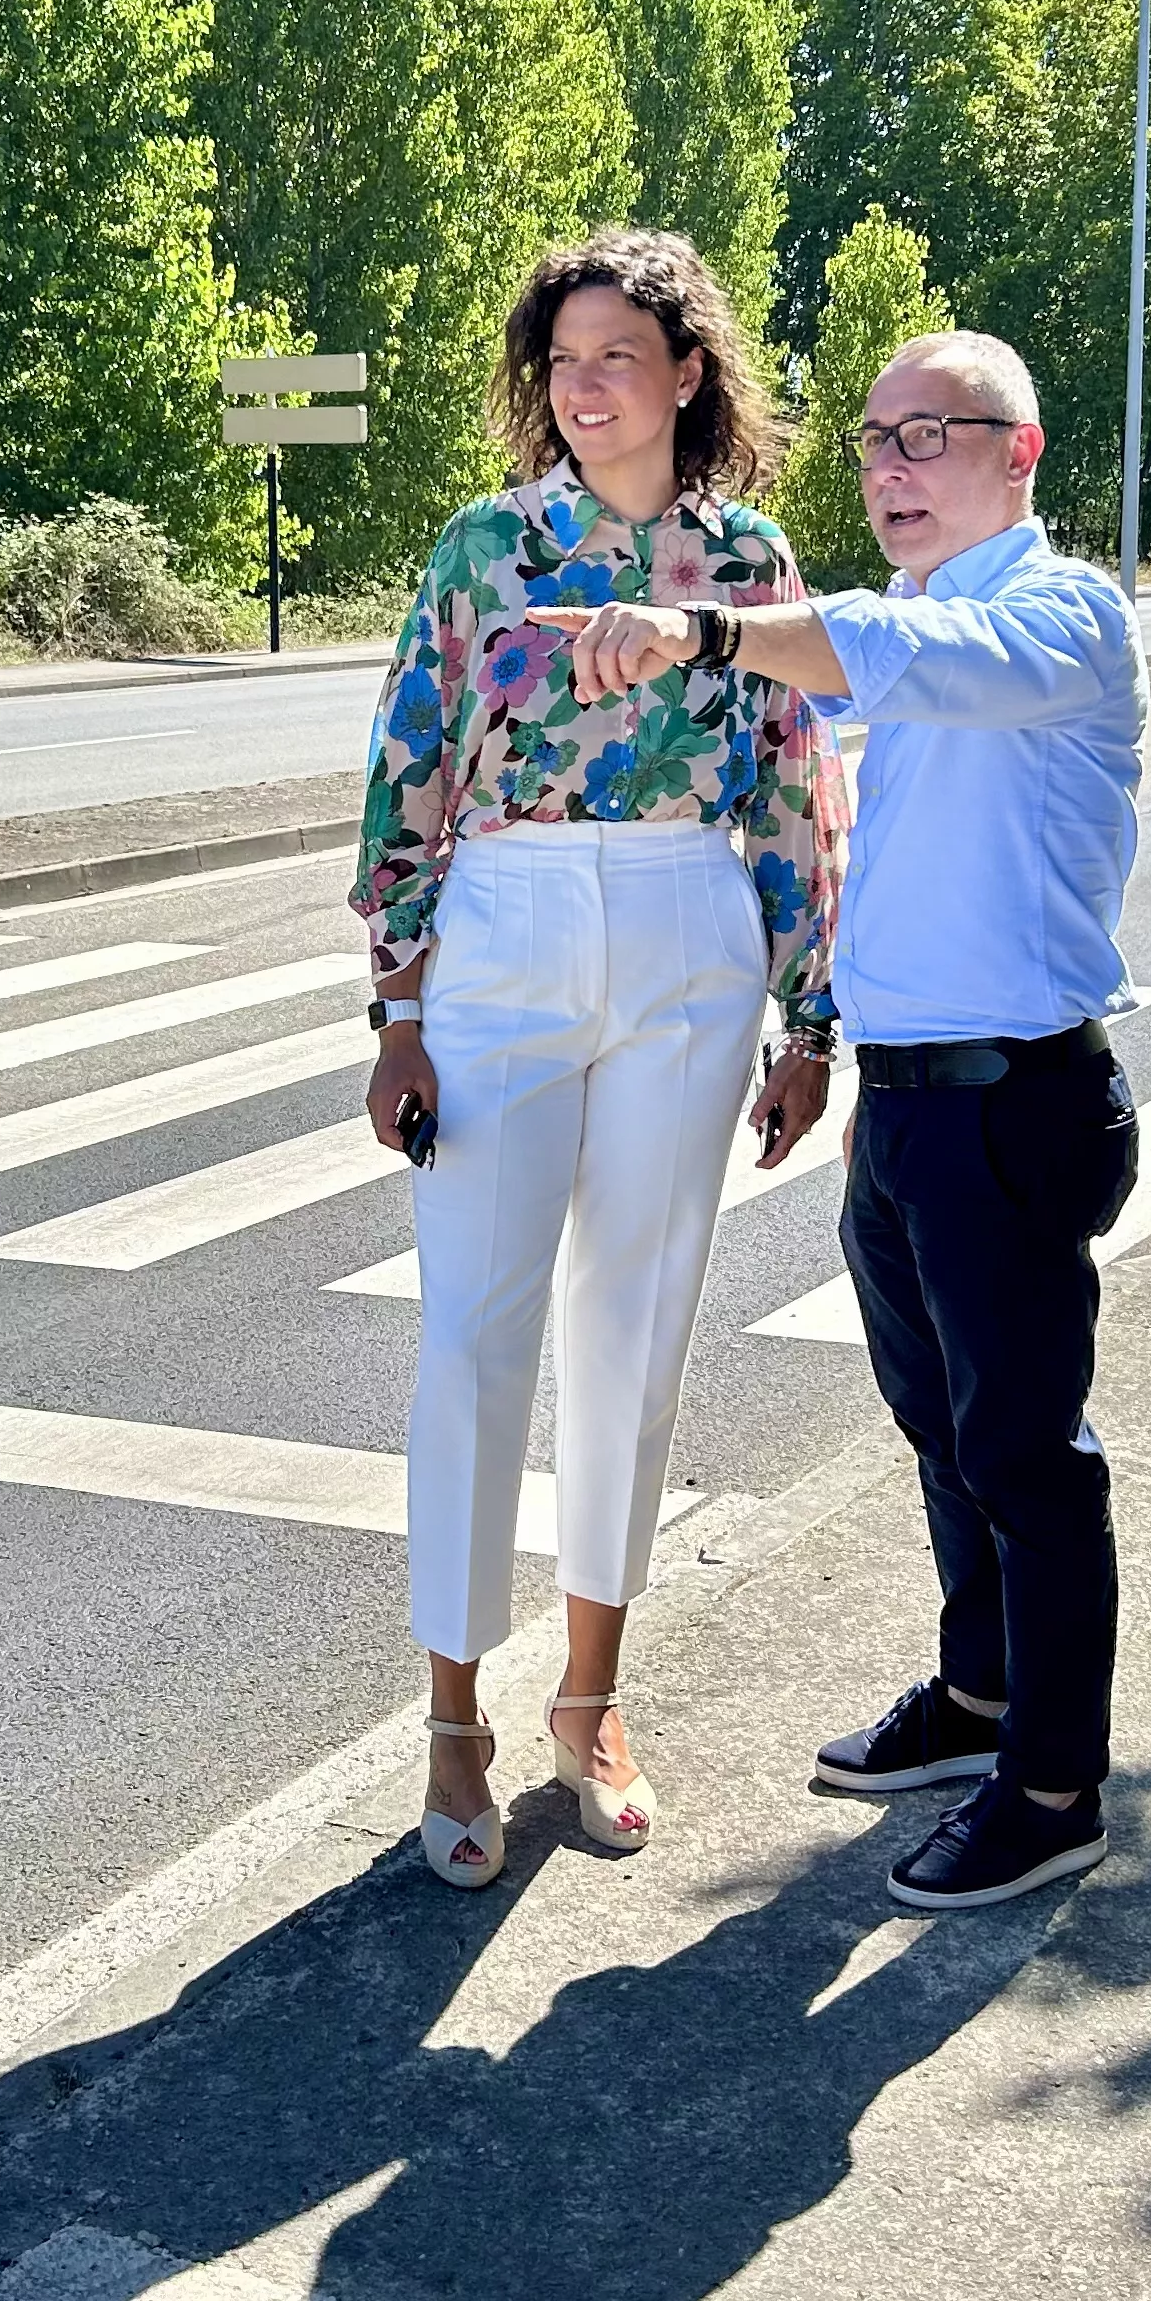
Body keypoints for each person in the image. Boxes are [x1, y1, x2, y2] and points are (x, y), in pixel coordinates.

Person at [536, 329, 1146, 1913]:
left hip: (1018, 1098)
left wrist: (703, 628)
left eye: (929, 434)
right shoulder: (922, 627)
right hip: (915, 1103)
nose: (889, 466)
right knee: (944, 1431)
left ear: (1020, 452)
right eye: (874, 439)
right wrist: (820, 1037)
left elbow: (900, 652)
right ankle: (984, 1696)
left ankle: (1057, 1788)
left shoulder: (1060, 616)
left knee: (1029, 1457)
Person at [355, 228, 846, 1890]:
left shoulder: (750, 559)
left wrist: (811, 1015)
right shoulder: (487, 546)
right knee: (472, 1336)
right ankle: (452, 1718)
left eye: (616, 357)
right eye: (562, 360)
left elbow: (796, 784)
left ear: (687, 373)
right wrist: (398, 1009)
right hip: (504, 928)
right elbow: (409, 767)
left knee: (635, 1329)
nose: (583, 387)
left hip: (692, 928)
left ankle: (591, 1700)